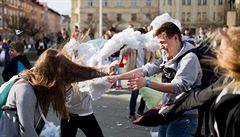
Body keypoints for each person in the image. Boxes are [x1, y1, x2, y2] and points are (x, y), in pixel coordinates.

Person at [108, 22, 202, 137]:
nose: (161, 47)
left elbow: (177, 87)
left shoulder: (189, 58)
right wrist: (117, 77)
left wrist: (146, 83)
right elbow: (145, 69)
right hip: (168, 112)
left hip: (184, 117)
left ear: (176, 38)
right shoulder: (166, 55)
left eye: (163, 42)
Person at [0, 48, 109, 137]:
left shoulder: (38, 75)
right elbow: (27, 132)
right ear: (51, 78)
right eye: (61, 78)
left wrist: (106, 71)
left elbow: (76, 75)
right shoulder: (25, 91)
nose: (64, 82)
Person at [161, 27, 240, 137]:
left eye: (221, 49)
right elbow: (200, 97)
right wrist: (171, 109)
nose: (217, 53)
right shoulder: (228, 78)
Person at [120, 27, 155, 120]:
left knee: (145, 94)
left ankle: (140, 111)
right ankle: (132, 114)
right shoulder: (132, 45)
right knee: (134, 94)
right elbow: (122, 53)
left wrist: (150, 66)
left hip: (145, 72)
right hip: (134, 72)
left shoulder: (148, 46)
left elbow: (152, 57)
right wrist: (130, 45)